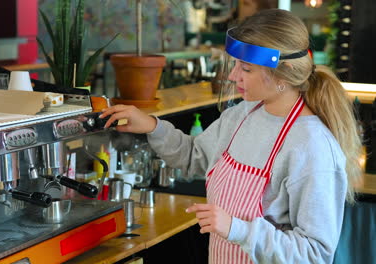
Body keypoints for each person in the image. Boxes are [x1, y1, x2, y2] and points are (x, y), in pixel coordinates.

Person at [100, 9, 362, 264]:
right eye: (235, 64)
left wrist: (238, 230)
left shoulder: (312, 147)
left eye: (246, 68)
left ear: (282, 73)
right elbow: (194, 156)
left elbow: (315, 255)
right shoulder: (243, 115)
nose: (233, 75)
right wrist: (152, 126)